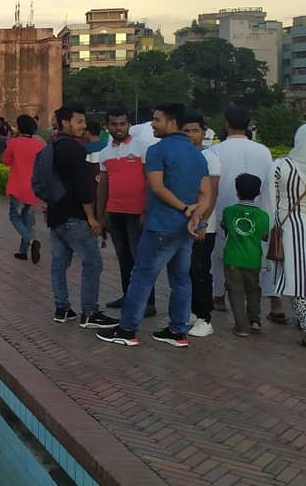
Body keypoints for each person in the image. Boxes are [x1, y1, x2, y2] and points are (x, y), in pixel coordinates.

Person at [97, 103, 211, 348]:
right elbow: (206, 193)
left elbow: (157, 188)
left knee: (141, 276)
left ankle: (127, 329)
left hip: (161, 225)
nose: (152, 124)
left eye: (157, 120)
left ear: (171, 123)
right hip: (185, 229)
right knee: (181, 278)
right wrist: (194, 215)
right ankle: (178, 331)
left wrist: (183, 208)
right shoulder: (196, 153)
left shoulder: (158, 151)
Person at [42, 103, 117, 329]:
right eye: (80, 122)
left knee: (59, 263)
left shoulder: (51, 146)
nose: (84, 127)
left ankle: (62, 308)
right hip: (75, 215)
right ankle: (89, 312)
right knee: (92, 263)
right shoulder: (75, 150)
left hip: (55, 214)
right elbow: (83, 189)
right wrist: (93, 218)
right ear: (66, 123)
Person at [207, 106, 278, 321]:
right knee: (259, 256)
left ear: (227, 124)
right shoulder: (263, 150)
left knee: (220, 255)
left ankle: (218, 296)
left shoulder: (215, 151)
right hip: (257, 212)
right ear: (248, 124)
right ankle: (264, 302)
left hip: (223, 210)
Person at [98, 105, 156, 318]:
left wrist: (146, 211)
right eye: (114, 124)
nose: (119, 127)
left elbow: (152, 182)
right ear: (108, 126)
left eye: (123, 123)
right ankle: (128, 297)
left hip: (136, 213)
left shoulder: (143, 148)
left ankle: (148, 303)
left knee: (141, 258)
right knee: (123, 258)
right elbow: (103, 185)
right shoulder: (105, 152)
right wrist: (100, 214)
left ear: (129, 125)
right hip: (114, 212)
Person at [264, 123, 306, 348]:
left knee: (297, 279)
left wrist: (268, 229)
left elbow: (270, 202)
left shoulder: (281, 166)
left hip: (290, 228)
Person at [181, 112, 221, 338]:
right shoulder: (182, 156)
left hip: (205, 226)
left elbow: (212, 193)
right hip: (186, 223)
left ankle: (205, 318)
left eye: (194, 131)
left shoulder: (210, 157)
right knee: (186, 270)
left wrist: (202, 222)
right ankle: (194, 313)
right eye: (185, 131)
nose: (190, 135)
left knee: (200, 270)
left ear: (203, 133)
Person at [221, 173, 270, 337]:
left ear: (237, 191)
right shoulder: (263, 216)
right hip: (254, 258)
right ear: (258, 193)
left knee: (235, 291)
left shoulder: (229, 211)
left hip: (233, 258)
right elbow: (264, 236)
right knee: (254, 289)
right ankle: (255, 320)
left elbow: (225, 228)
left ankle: (241, 327)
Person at [2, 114, 44, 263]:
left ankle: (31, 242)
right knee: (28, 220)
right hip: (33, 188)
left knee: (15, 217)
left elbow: (5, 160)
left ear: (19, 127)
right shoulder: (39, 144)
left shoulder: (14, 143)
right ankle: (23, 251)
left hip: (17, 187)